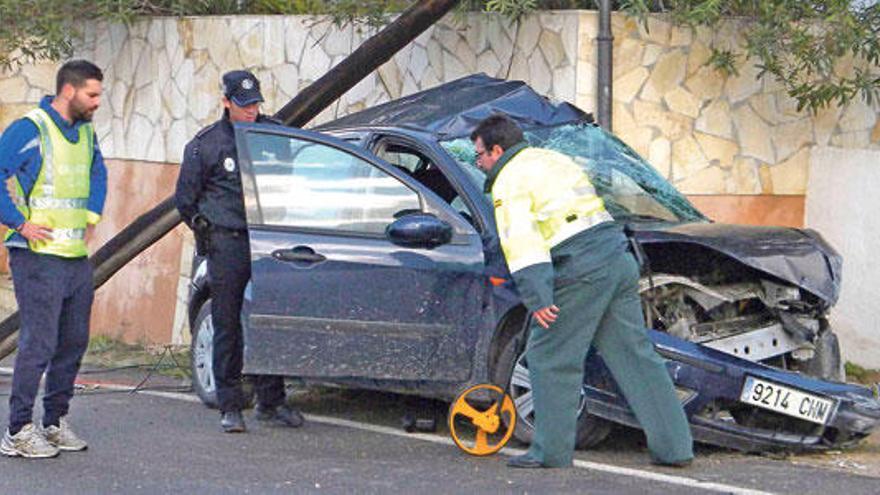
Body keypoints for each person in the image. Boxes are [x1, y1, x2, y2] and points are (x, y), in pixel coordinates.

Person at [470, 114, 693, 469]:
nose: (478, 163)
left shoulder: (509, 180)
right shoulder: (552, 159)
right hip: (617, 260)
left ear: (497, 150)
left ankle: (551, 452)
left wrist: (538, 297)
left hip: (581, 268)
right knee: (635, 356)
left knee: (548, 356)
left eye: (479, 154)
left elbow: (523, 240)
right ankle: (675, 448)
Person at [174, 70, 304, 433]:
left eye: (256, 104)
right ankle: (230, 405)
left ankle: (271, 400)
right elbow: (185, 200)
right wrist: (207, 229)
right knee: (228, 322)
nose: (252, 111)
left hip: (268, 240)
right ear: (226, 103)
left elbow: (292, 180)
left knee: (269, 319)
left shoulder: (272, 135)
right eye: (244, 105)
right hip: (227, 241)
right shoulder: (206, 145)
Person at [0, 60, 108, 458]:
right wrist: (18, 223)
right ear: (69, 91)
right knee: (38, 343)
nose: (97, 102)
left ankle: (53, 421)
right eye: (92, 95)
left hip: (74, 258)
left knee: (73, 342)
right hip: (35, 257)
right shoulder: (30, 129)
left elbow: (99, 173)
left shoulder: (84, 131)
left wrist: (92, 216)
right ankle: (18, 430)